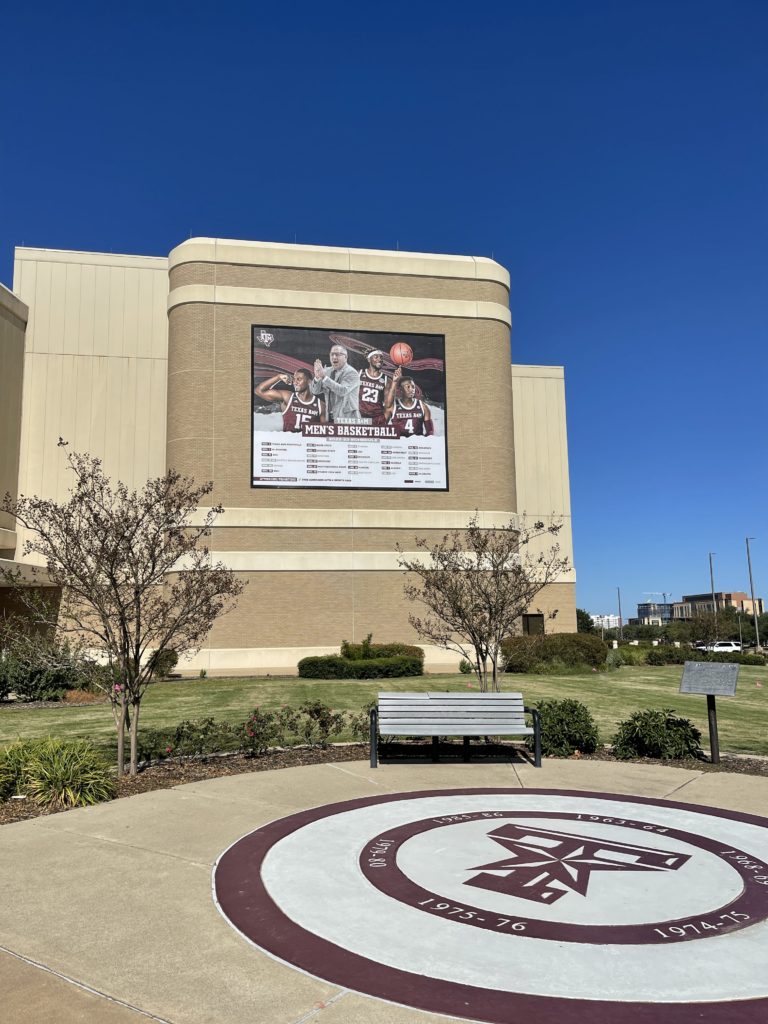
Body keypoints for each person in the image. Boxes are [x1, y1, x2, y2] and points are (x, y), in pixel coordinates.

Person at [254, 368, 326, 432]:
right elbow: (259, 391)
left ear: (309, 382)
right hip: (289, 444)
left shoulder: (321, 405)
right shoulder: (288, 397)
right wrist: (278, 377)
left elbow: (325, 434)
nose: (295, 382)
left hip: (307, 445)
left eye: (299, 379)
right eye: (294, 379)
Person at [310, 343, 360, 422]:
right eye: (332, 354)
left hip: (347, 419)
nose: (334, 357)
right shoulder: (327, 371)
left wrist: (324, 377)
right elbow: (315, 391)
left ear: (345, 357)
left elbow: (342, 391)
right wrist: (317, 377)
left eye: (337, 354)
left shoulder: (351, 373)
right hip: (330, 418)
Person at [384, 366, 434, 437]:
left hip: (416, 445)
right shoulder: (393, 407)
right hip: (399, 445)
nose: (412, 389)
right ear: (401, 389)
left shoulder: (423, 406)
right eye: (408, 386)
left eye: (413, 386)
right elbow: (381, 428)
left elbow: (430, 432)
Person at [358, 349, 390, 426]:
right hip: (359, 416)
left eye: (381, 357)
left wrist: (383, 420)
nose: (380, 359)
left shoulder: (386, 380)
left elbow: (388, 406)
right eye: (376, 357)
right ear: (369, 359)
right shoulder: (358, 374)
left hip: (377, 418)